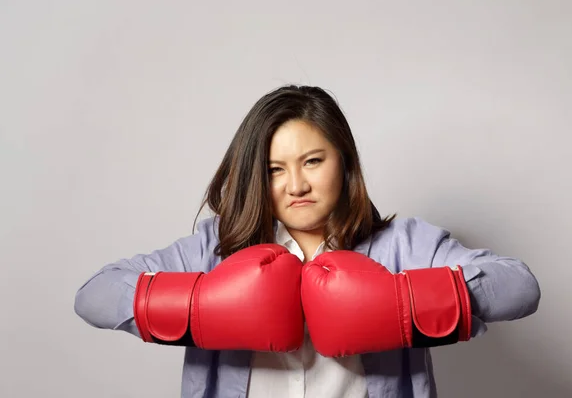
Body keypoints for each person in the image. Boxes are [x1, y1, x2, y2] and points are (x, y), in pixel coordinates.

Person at [74, 85, 541, 398]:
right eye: (275, 170)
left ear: (344, 160)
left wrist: (399, 302)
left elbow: (520, 287)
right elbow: (94, 296)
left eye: (313, 161)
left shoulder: (405, 244)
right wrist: (204, 305)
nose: (295, 185)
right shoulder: (216, 249)